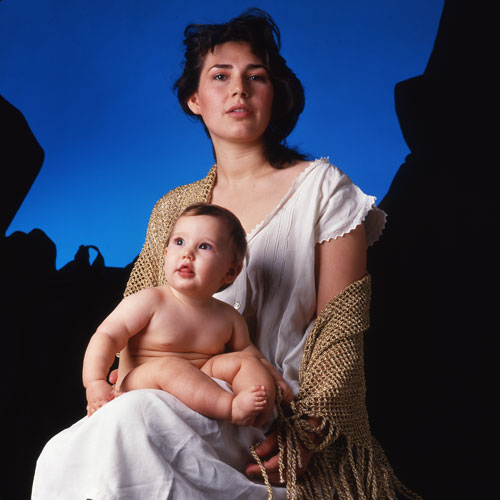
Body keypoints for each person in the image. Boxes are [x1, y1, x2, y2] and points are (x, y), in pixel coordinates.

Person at [33, 8, 419, 500]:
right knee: (73, 451)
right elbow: (135, 317)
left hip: (271, 416)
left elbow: (338, 327)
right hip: (169, 403)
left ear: (273, 95)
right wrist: (121, 385)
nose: (239, 89)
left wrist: (312, 434)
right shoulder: (175, 208)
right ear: (195, 99)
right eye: (221, 76)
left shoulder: (324, 188)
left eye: (255, 77)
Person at [84, 203, 292, 426]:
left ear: (230, 272)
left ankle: (259, 411)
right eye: (179, 242)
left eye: (204, 246)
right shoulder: (149, 301)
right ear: (165, 254)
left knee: (246, 361)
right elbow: (107, 336)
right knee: (170, 366)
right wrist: (95, 381)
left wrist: (274, 379)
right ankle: (230, 408)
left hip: (199, 379)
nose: (187, 253)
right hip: (140, 382)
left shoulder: (228, 317)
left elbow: (250, 354)